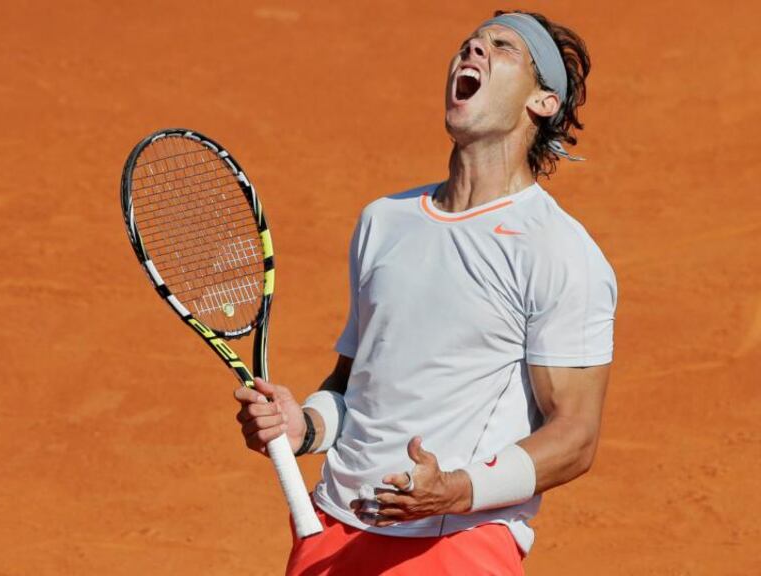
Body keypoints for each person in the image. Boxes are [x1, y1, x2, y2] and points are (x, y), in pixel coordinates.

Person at [234, 10, 616, 575]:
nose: (473, 52)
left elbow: (575, 437)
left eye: (502, 48)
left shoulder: (558, 250)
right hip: (330, 531)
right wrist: (306, 425)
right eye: (469, 44)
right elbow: (356, 385)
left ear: (543, 102)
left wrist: (459, 491)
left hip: (454, 544)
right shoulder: (383, 221)